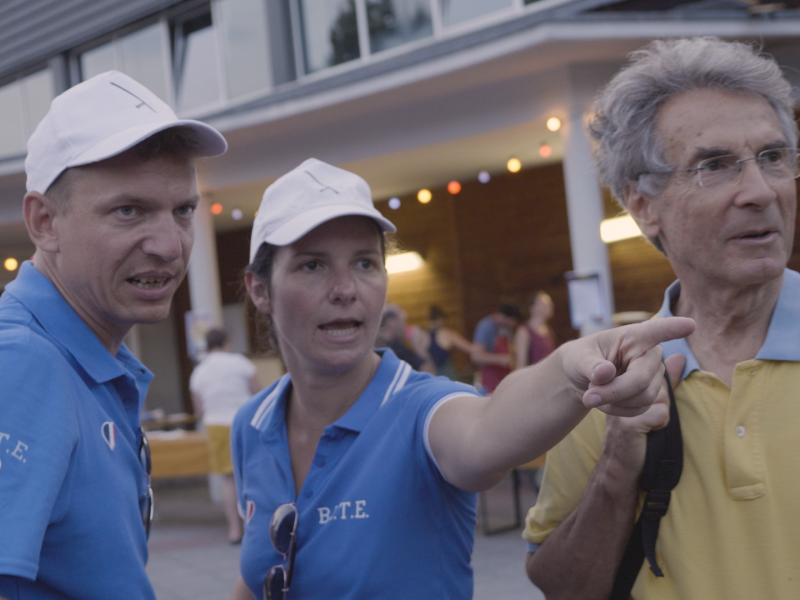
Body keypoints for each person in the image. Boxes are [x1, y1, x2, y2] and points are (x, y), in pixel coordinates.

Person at [227, 157, 693, 600]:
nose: (346, 289)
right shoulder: (253, 424)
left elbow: (485, 430)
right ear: (260, 289)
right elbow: (262, 574)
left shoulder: (419, 409)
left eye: (365, 262)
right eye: (313, 265)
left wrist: (571, 370)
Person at [524, 37, 800, 600]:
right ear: (643, 206)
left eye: (773, 157)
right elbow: (561, 587)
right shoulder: (608, 383)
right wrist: (617, 467)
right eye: (714, 165)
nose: (760, 191)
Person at [0, 70, 226, 599]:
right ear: (44, 222)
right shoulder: (22, 361)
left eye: (183, 210)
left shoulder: (79, 359)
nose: (170, 245)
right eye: (129, 210)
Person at [190, 328, 261, 544]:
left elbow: (199, 409)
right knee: (252, 473)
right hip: (244, 420)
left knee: (228, 478)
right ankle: (254, 525)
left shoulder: (199, 371)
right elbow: (258, 392)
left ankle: (234, 530)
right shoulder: (240, 362)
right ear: (226, 343)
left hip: (216, 424)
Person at [471, 303, 522, 393]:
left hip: (504, 377)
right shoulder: (485, 326)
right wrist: (501, 359)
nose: (513, 325)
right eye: (513, 321)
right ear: (506, 318)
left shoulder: (506, 328)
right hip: (489, 378)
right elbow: (476, 356)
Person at [374, 303, 433, 373]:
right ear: (391, 322)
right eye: (403, 321)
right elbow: (429, 372)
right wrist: (419, 347)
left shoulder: (375, 345)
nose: (404, 326)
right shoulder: (397, 348)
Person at [421, 305, 475, 380]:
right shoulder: (446, 333)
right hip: (448, 377)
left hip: (432, 379)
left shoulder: (423, 337)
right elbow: (471, 348)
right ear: (441, 319)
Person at [514, 291, 556, 370]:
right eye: (544, 304)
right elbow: (520, 364)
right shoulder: (524, 331)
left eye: (550, 304)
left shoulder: (548, 330)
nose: (549, 306)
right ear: (532, 307)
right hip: (534, 376)